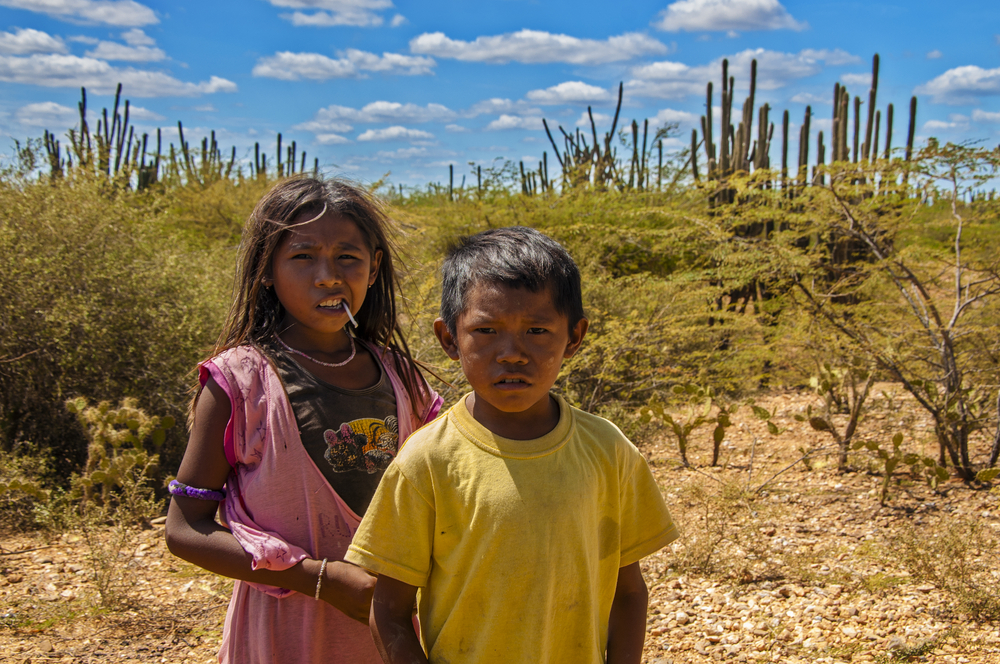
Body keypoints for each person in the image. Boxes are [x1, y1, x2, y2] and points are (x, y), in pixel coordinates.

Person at [346, 226, 679, 664]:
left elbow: (629, 593)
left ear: (574, 338)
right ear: (450, 339)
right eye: (486, 331)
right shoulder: (427, 459)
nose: (512, 353)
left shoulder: (607, 450)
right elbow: (388, 611)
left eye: (537, 330)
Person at [165, 176, 442, 664]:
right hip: (285, 639)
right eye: (302, 256)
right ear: (266, 270)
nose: (328, 276)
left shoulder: (406, 383)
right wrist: (317, 579)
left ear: (373, 269)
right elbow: (185, 529)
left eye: (348, 258)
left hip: (395, 635)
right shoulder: (240, 384)